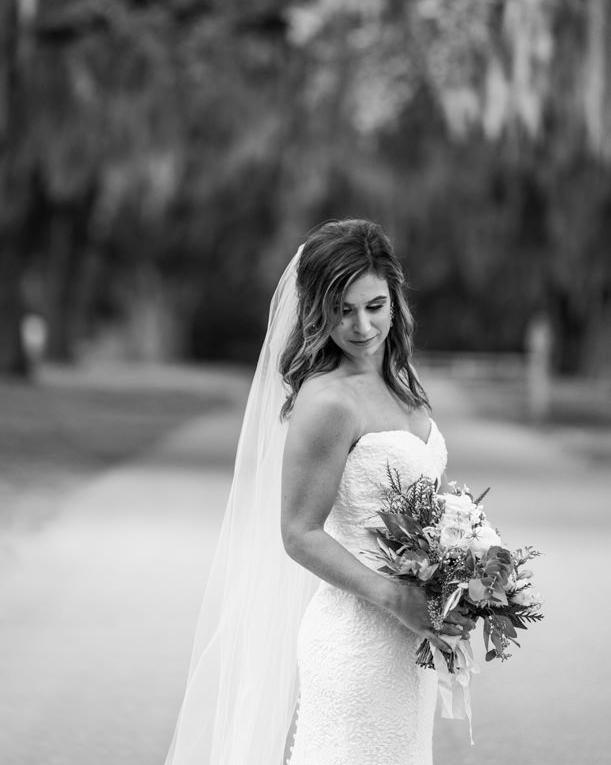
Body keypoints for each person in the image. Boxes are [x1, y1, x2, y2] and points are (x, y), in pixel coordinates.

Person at [165, 218, 468, 765]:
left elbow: (427, 506)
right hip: (357, 639)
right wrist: (395, 597)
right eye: (342, 309)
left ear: (395, 299)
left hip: (408, 645)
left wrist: (461, 577)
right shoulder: (327, 401)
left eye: (374, 305)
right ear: (316, 309)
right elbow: (299, 533)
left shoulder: (400, 382)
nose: (361, 326)